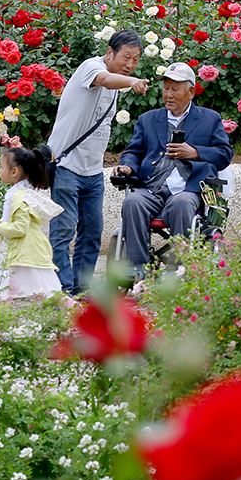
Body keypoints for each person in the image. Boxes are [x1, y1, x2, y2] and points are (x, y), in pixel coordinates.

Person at [47, 30, 151, 294]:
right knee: (63, 232)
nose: (130, 64)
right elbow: (104, 79)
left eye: (136, 59)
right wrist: (132, 81)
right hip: (66, 166)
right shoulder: (91, 67)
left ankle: (80, 291)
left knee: (92, 234)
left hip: (93, 172)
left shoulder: (118, 81)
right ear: (109, 52)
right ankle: (63, 291)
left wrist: (128, 79)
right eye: (126, 57)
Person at [115, 62, 233, 285]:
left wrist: (195, 152)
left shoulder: (209, 119)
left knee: (182, 204)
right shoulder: (148, 119)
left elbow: (224, 154)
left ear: (191, 91)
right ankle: (138, 270)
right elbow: (133, 151)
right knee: (133, 201)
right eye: (165, 88)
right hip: (152, 187)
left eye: (174, 89)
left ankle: (177, 271)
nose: (168, 94)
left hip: (187, 189)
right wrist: (128, 166)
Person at [0, 144, 65, 302]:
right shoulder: (20, 193)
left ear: (14, 172)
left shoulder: (17, 197)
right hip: (20, 252)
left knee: (44, 292)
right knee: (8, 291)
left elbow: (20, 228)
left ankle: (78, 315)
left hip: (23, 251)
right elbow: (16, 221)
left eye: (1, 167)